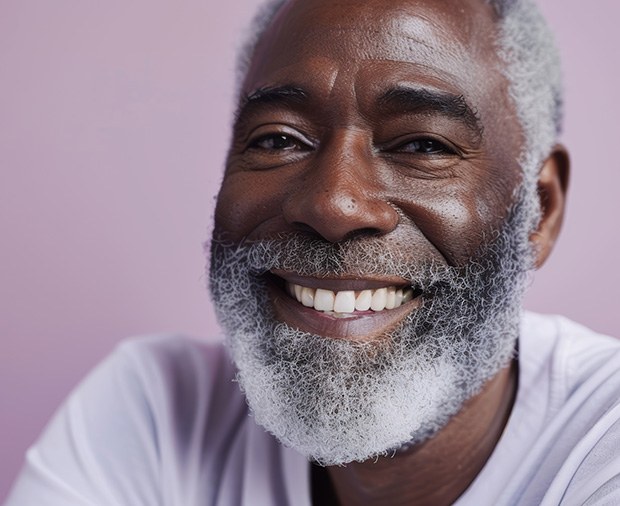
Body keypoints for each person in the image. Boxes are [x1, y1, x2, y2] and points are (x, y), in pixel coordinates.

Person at [5, 0, 620, 504]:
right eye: (278, 138)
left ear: (539, 210)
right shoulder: (159, 412)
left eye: (423, 145)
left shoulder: (603, 442)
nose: (333, 204)